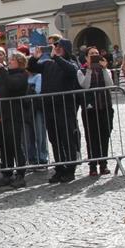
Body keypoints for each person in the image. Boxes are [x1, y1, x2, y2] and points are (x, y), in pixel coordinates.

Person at [28, 40, 83, 183]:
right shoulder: (48, 64)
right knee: (54, 140)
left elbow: (71, 71)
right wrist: (35, 57)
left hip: (65, 107)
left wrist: (56, 57)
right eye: (55, 47)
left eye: (59, 47)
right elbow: (32, 67)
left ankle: (70, 169)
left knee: (67, 139)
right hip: (49, 107)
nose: (56, 49)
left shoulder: (71, 63)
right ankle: (59, 168)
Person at [0, 51, 31, 188]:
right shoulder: (7, 74)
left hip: (13, 114)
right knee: (4, 145)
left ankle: (20, 174)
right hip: (2, 115)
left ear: (19, 62)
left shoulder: (22, 75)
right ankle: (7, 173)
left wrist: (2, 70)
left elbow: (12, 86)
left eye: (12, 60)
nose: (9, 62)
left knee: (15, 144)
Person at [78, 47, 114, 176]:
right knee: (91, 137)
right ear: (86, 57)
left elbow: (110, 84)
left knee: (105, 135)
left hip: (105, 107)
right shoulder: (81, 71)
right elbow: (85, 85)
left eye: (96, 53)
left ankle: (103, 164)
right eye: (91, 54)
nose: (94, 55)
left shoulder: (106, 70)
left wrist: (104, 69)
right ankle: (92, 166)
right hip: (90, 109)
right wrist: (89, 69)